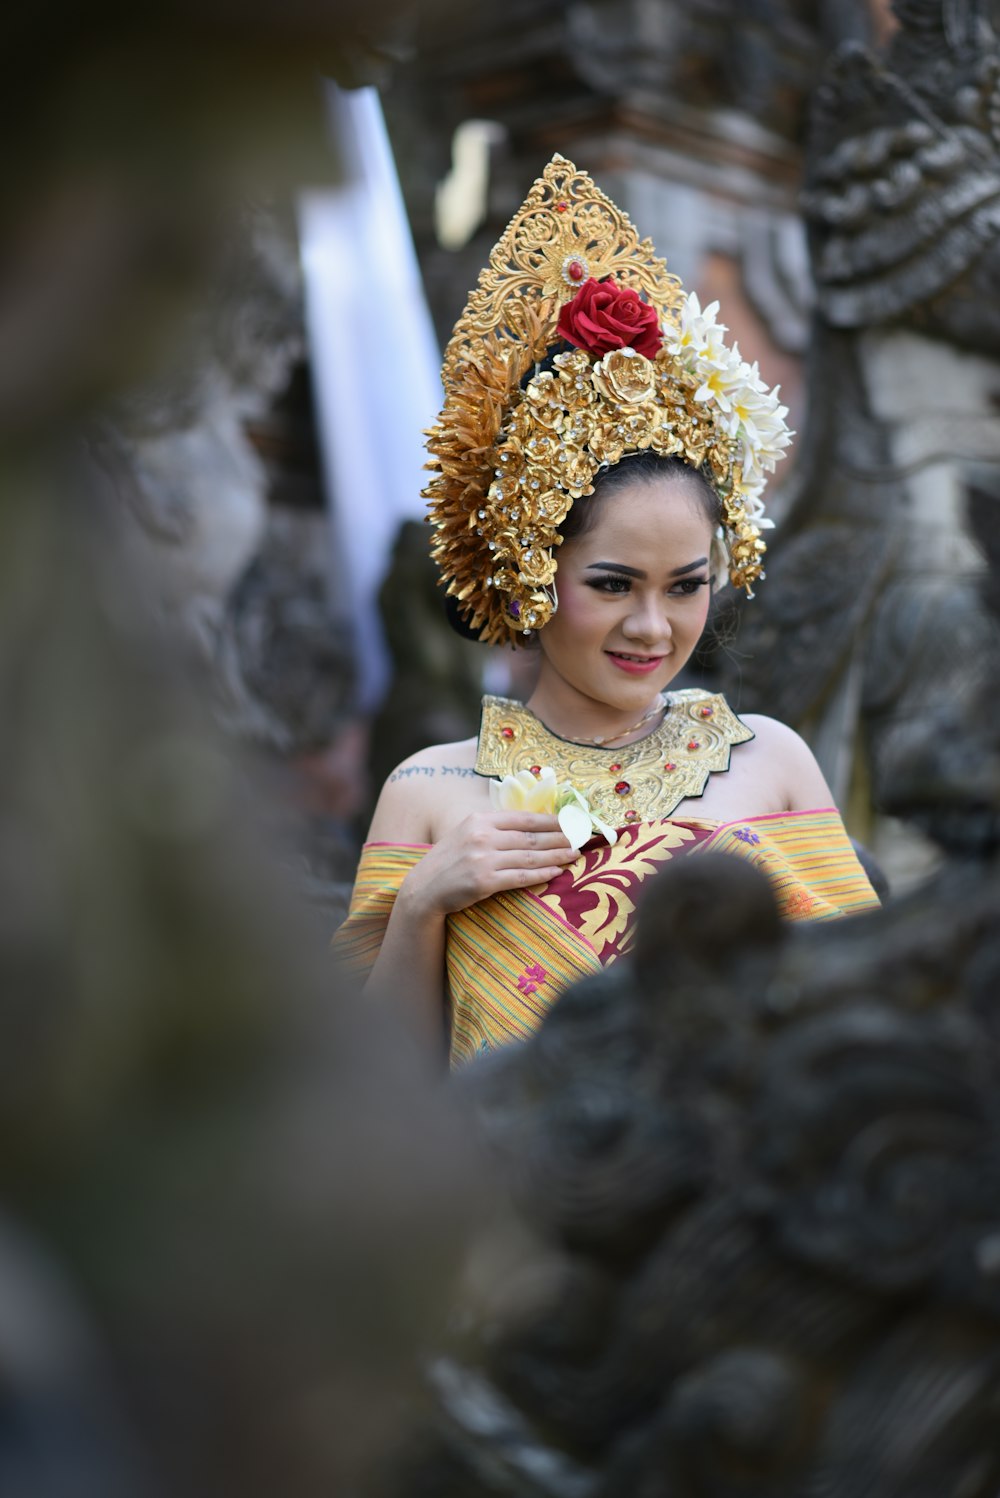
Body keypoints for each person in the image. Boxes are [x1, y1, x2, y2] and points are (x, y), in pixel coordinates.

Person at [334, 155, 880, 1065]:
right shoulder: (428, 791)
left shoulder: (773, 760)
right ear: (530, 573)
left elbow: (857, 1032)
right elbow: (378, 1092)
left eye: (686, 587)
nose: (652, 628)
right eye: (613, 584)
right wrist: (427, 900)